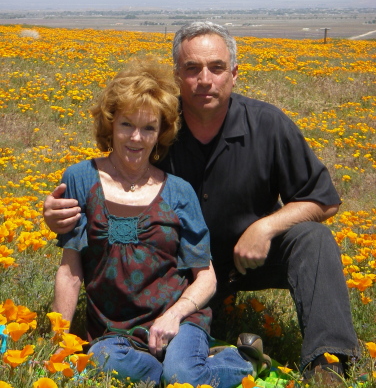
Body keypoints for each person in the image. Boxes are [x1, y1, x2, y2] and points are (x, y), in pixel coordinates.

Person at [44, 23, 360, 384]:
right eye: (192, 69)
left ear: (235, 73)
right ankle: (214, 355)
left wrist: (265, 226)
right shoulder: (159, 124)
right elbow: (113, 176)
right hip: (177, 272)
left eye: (217, 67)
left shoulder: (268, 125)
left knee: (313, 240)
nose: (205, 79)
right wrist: (58, 213)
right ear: (177, 76)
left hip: (248, 258)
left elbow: (323, 200)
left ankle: (328, 363)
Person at [51, 56, 266, 388]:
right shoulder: (80, 179)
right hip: (113, 332)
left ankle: (239, 361)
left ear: (161, 133)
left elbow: (205, 277)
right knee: (100, 362)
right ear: (110, 125)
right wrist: (58, 345)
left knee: (182, 376)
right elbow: (70, 271)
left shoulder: (178, 192)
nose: (136, 138)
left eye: (148, 127)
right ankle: (182, 372)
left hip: (179, 320)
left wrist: (174, 315)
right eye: (126, 125)